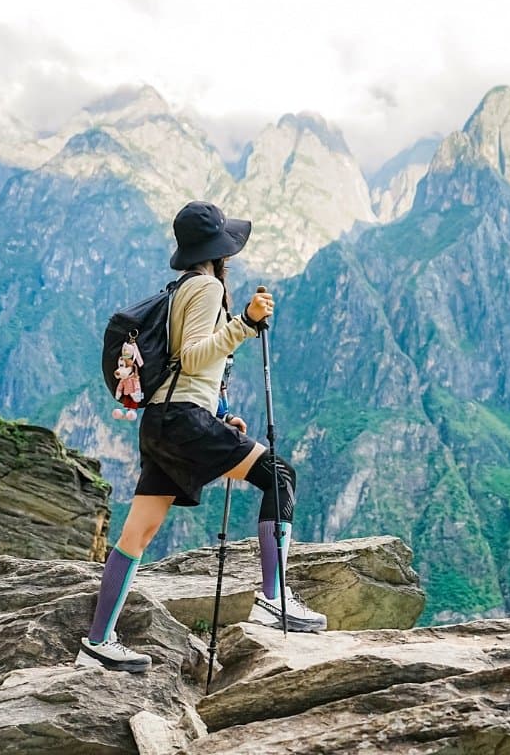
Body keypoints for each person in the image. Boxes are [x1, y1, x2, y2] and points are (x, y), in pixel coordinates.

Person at [76, 200, 327, 674]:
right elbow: (193, 356)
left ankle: (98, 641)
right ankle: (273, 599)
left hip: (161, 421)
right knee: (279, 476)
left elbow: (185, 367)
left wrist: (222, 414)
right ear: (220, 250)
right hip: (183, 420)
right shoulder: (208, 287)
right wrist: (246, 324)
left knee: (138, 533)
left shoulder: (180, 289)